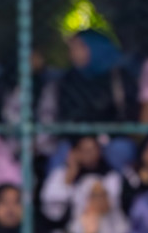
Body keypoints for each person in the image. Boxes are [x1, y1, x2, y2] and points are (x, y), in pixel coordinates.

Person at [57, 30, 138, 171]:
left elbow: (127, 114)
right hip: (78, 140)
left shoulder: (119, 77)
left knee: (121, 149)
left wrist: (101, 138)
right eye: (72, 48)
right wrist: (83, 141)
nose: (73, 52)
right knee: (61, 154)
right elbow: (66, 116)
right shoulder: (68, 80)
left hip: (112, 138)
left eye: (80, 47)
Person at [42, 135, 124, 228]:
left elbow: (110, 207)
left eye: (93, 149)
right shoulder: (60, 174)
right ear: (75, 152)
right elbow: (52, 211)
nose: (89, 154)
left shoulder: (110, 176)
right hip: (65, 232)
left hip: (100, 231)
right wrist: (70, 176)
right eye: (84, 151)